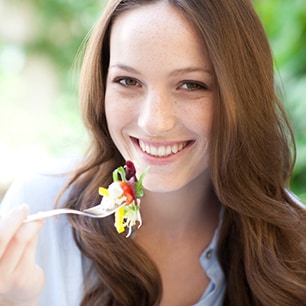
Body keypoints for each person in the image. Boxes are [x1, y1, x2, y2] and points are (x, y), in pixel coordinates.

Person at [1, 0, 306, 305]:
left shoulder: (296, 244)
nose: (154, 123)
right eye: (128, 81)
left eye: (191, 85)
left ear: (242, 95)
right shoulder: (38, 209)